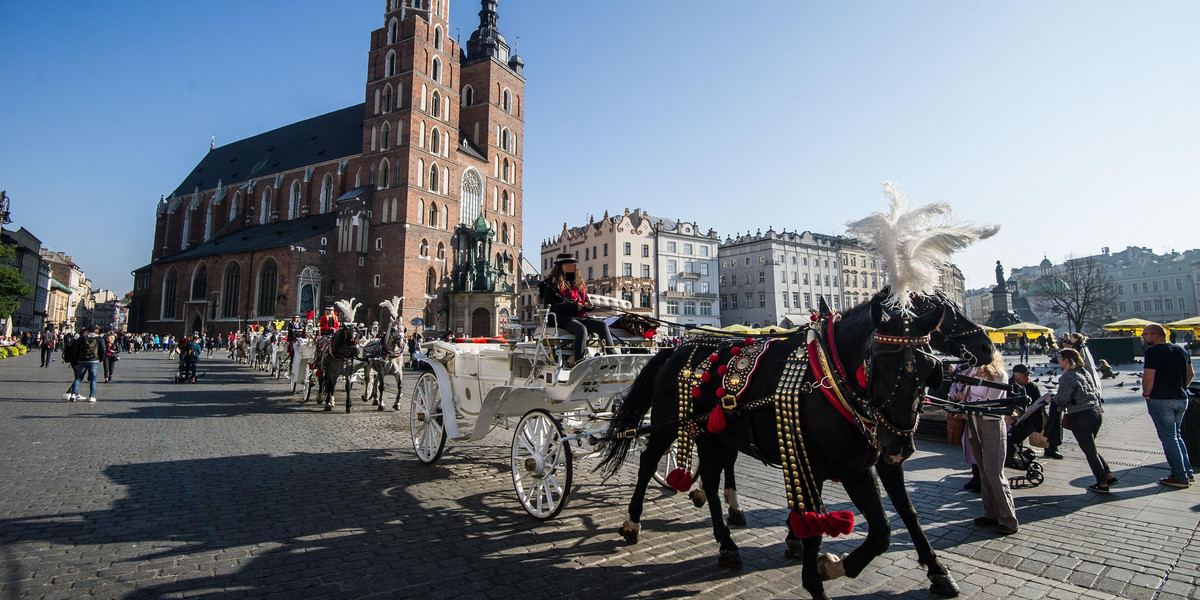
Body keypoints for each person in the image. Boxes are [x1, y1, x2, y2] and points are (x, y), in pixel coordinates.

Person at [963, 353, 1019, 535]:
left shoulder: (999, 375)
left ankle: (1009, 519)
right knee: (983, 469)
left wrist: (970, 403)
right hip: (973, 422)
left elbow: (991, 401)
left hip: (991, 423)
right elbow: (967, 394)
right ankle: (990, 513)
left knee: (994, 472)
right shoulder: (973, 372)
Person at [1053, 348, 1116, 493]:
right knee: (1090, 448)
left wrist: (1053, 400)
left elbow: (1062, 398)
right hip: (1096, 412)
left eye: (1060, 358)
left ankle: (1102, 483)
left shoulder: (1067, 376)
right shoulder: (1084, 372)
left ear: (1067, 360)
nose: (1059, 361)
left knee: (1089, 451)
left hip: (1081, 416)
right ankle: (1109, 475)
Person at [1140, 324, 1194, 488]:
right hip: (1180, 398)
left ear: (1156, 335)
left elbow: (1148, 377)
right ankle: (1187, 471)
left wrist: (1147, 395)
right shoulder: (1180, 350)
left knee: (1169, 438)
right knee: (1176, 436)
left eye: (1145, 334)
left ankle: (1180, 476)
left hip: (1161, 399)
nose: (1143, 337)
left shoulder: (1154, 352)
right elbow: (1190, 373)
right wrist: (1181, 388)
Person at [538, 252, 614, 367]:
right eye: (567, 264)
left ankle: (611, 357)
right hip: (561, 318)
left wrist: (589, 306)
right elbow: (552, 307)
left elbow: (585, 301)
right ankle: (579, 362)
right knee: (581, 329)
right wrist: (574, 306)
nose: (570, 267)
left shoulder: (576, 284)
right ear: (560, 267)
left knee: (602, 326)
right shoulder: (551, 285)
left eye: (572, 264)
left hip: (579, 316)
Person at [1005, 364, 1043, 465]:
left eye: (1028, 375)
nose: (1028, 378)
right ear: (1017, 376)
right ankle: (1010, 453)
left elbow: (1038, 403)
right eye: (1025, 375)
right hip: (1011, 417)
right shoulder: (1008, 385)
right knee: (1012, 433)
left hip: (1027, 418)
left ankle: (1014, 450)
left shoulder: (1032, 386)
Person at [65, 325, 106, 403]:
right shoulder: (99, 338)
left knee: (78, 378)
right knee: (93, 379)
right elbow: (103, 350)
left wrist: (78, 358)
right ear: (95, 330)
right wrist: (101, 359)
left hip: (82, 360)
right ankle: (92, 396)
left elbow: (75, 350)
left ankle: (73, 395)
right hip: (94, 361)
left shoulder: (82, 338)